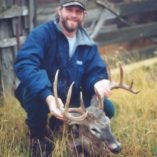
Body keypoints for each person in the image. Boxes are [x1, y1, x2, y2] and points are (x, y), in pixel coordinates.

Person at [14, 0, 115, 156]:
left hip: (69, 95)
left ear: (84, 15)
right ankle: (37, 137)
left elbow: (95, 71)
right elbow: (25, 63)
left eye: (78, 11)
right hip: (42, 93)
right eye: (69, 10)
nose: (73, 15)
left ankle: (67, 129)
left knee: (107, 108)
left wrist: (98, 81)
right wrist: (48, 97)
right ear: (59, 10)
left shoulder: (88, 44)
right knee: (33, 93)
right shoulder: (42, 34)